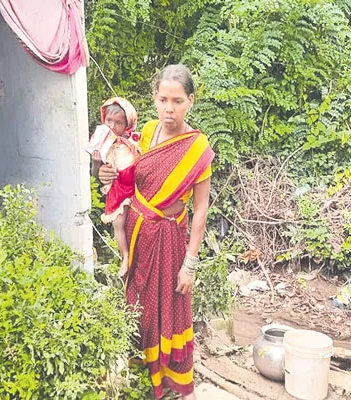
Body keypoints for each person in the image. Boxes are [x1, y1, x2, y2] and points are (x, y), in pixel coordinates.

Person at [98, 64, 214, 399]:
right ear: (155, 98)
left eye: (177, 100)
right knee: (139, 307)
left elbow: (201, 209)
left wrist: (190, 263)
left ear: (190, 101)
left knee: (171, 309)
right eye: (163, 99)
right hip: (137, 234)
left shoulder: (197, 149)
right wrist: (109, 175)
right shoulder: (145, 133)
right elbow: (128, 177)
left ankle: (173, 384)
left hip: (169, 240)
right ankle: (142, 380)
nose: (169, 108)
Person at [89, 97, 140, 276]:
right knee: (119, 223)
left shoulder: (134, 140)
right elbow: (97, 174)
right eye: (109, 121)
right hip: (118, 188)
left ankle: (133, 257)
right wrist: (96, 163)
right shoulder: (104, 144)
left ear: (127, 125)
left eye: (118, 123)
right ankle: (125, 256)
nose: (112, 126)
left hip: (135, 188)